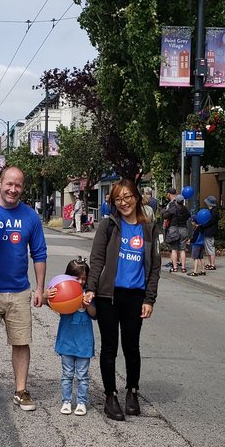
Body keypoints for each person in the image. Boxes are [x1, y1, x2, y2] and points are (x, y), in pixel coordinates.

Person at [0, 165, 47, 414]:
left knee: (21, 343)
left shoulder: (30, 217)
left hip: (18, 290)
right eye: (9, 184)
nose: (13, 189)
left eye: (18, 185)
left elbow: (39, 253)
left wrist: (39, 288)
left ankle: (21, 390)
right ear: (0, 183)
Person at [84, 179, 160, 422]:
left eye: (128, 197)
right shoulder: (108, 225)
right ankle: (110, 395)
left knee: (132, 347)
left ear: (136, 197)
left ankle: (132, 391)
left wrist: (149, 299)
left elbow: (155, 268)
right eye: (118, 198)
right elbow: (96, 260)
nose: (124, 202)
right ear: (113, 202)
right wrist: (90, 289)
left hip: (135, 296)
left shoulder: (149, 229)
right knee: (109, 348)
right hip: (109, 295)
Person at [50, 258, 96, 416]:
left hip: (84, 342)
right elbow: (51, 304)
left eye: (84, 278)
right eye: (77, 278)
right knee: (67, 374)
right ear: (68, 277)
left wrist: (87, 304)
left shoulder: (89, 295)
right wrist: (47, 295)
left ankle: (82, 401)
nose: (81, 281)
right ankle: (66, 401)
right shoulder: (64, 292)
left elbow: (95, 314)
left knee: (83, 375)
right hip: (67, 341)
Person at [162, 190, 192, 274]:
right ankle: (183, 267)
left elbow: (165, 216)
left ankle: (175, 267)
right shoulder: (185, 209)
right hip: (183, 229)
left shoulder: (173, 208)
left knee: (174, 249)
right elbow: (188, 216)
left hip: (173, 229)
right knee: (182, 249)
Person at [201, 195, 220, 271]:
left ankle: (212, 264)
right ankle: (210, 263)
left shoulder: (214, 212)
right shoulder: (210, 210)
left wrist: (203, 225)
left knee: (210, 248)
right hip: (207, 231)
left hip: (210, 231)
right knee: (208, 248)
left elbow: (211, 221)